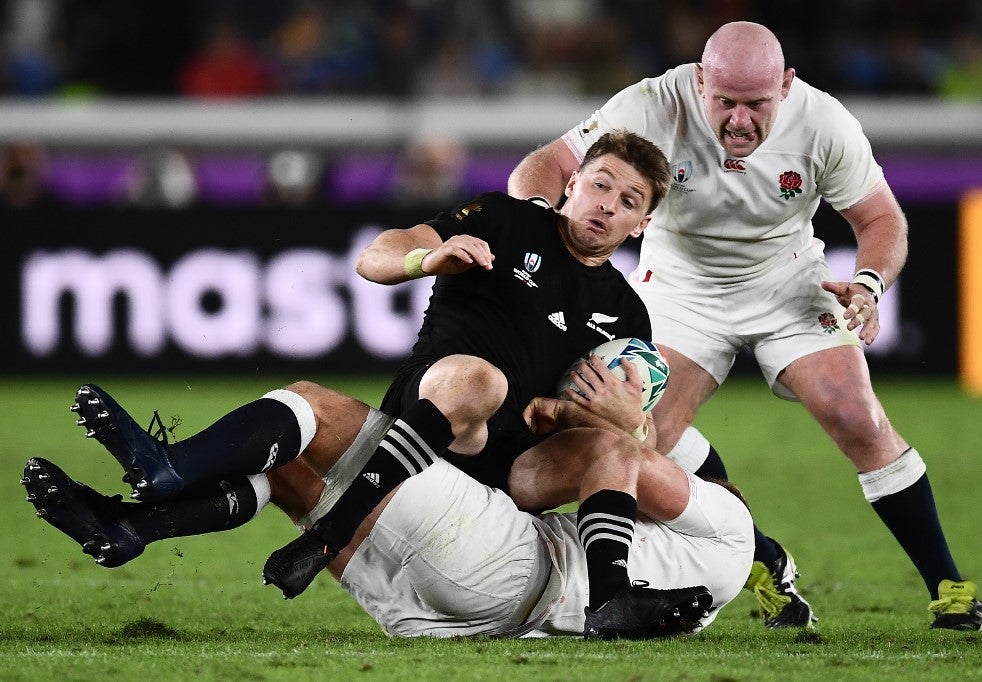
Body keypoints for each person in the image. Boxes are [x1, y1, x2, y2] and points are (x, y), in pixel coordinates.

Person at [45, 130, 726, 638]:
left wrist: (612, 416)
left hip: (502, 484)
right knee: (472, 382)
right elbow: (377, 253)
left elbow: (628, 437)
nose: (608, 205)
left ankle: (160, 494)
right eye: (601, 184)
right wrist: (428, 258)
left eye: (629, 200)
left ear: (644, 224)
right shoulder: (504, 217)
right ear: (572, 182)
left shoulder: (626, 313)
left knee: (311, 411)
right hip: (429, 434)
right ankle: (139, 514)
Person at [507, 21, 982, 631]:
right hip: (679, 285)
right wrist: (534, 235)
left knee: (856, 416)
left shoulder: (824, 123)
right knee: (639, 437)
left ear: (786, 87)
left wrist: (868, 283)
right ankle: (762, 559)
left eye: (756, 104)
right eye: (725, 102)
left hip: (787, 278)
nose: (739, 121)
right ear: (699, 81)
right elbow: (549, 165)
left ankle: (948, 586)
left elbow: (880, 220)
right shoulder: (649, 106)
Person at [23, 388, 754, 639]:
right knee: (281, 469)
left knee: (315, 411)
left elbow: (613, 457)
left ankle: (167, 465)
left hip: (498, 562)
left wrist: (578, 415)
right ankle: (128, 527)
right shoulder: (709, 579)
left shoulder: (724, 518)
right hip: (446, 615)